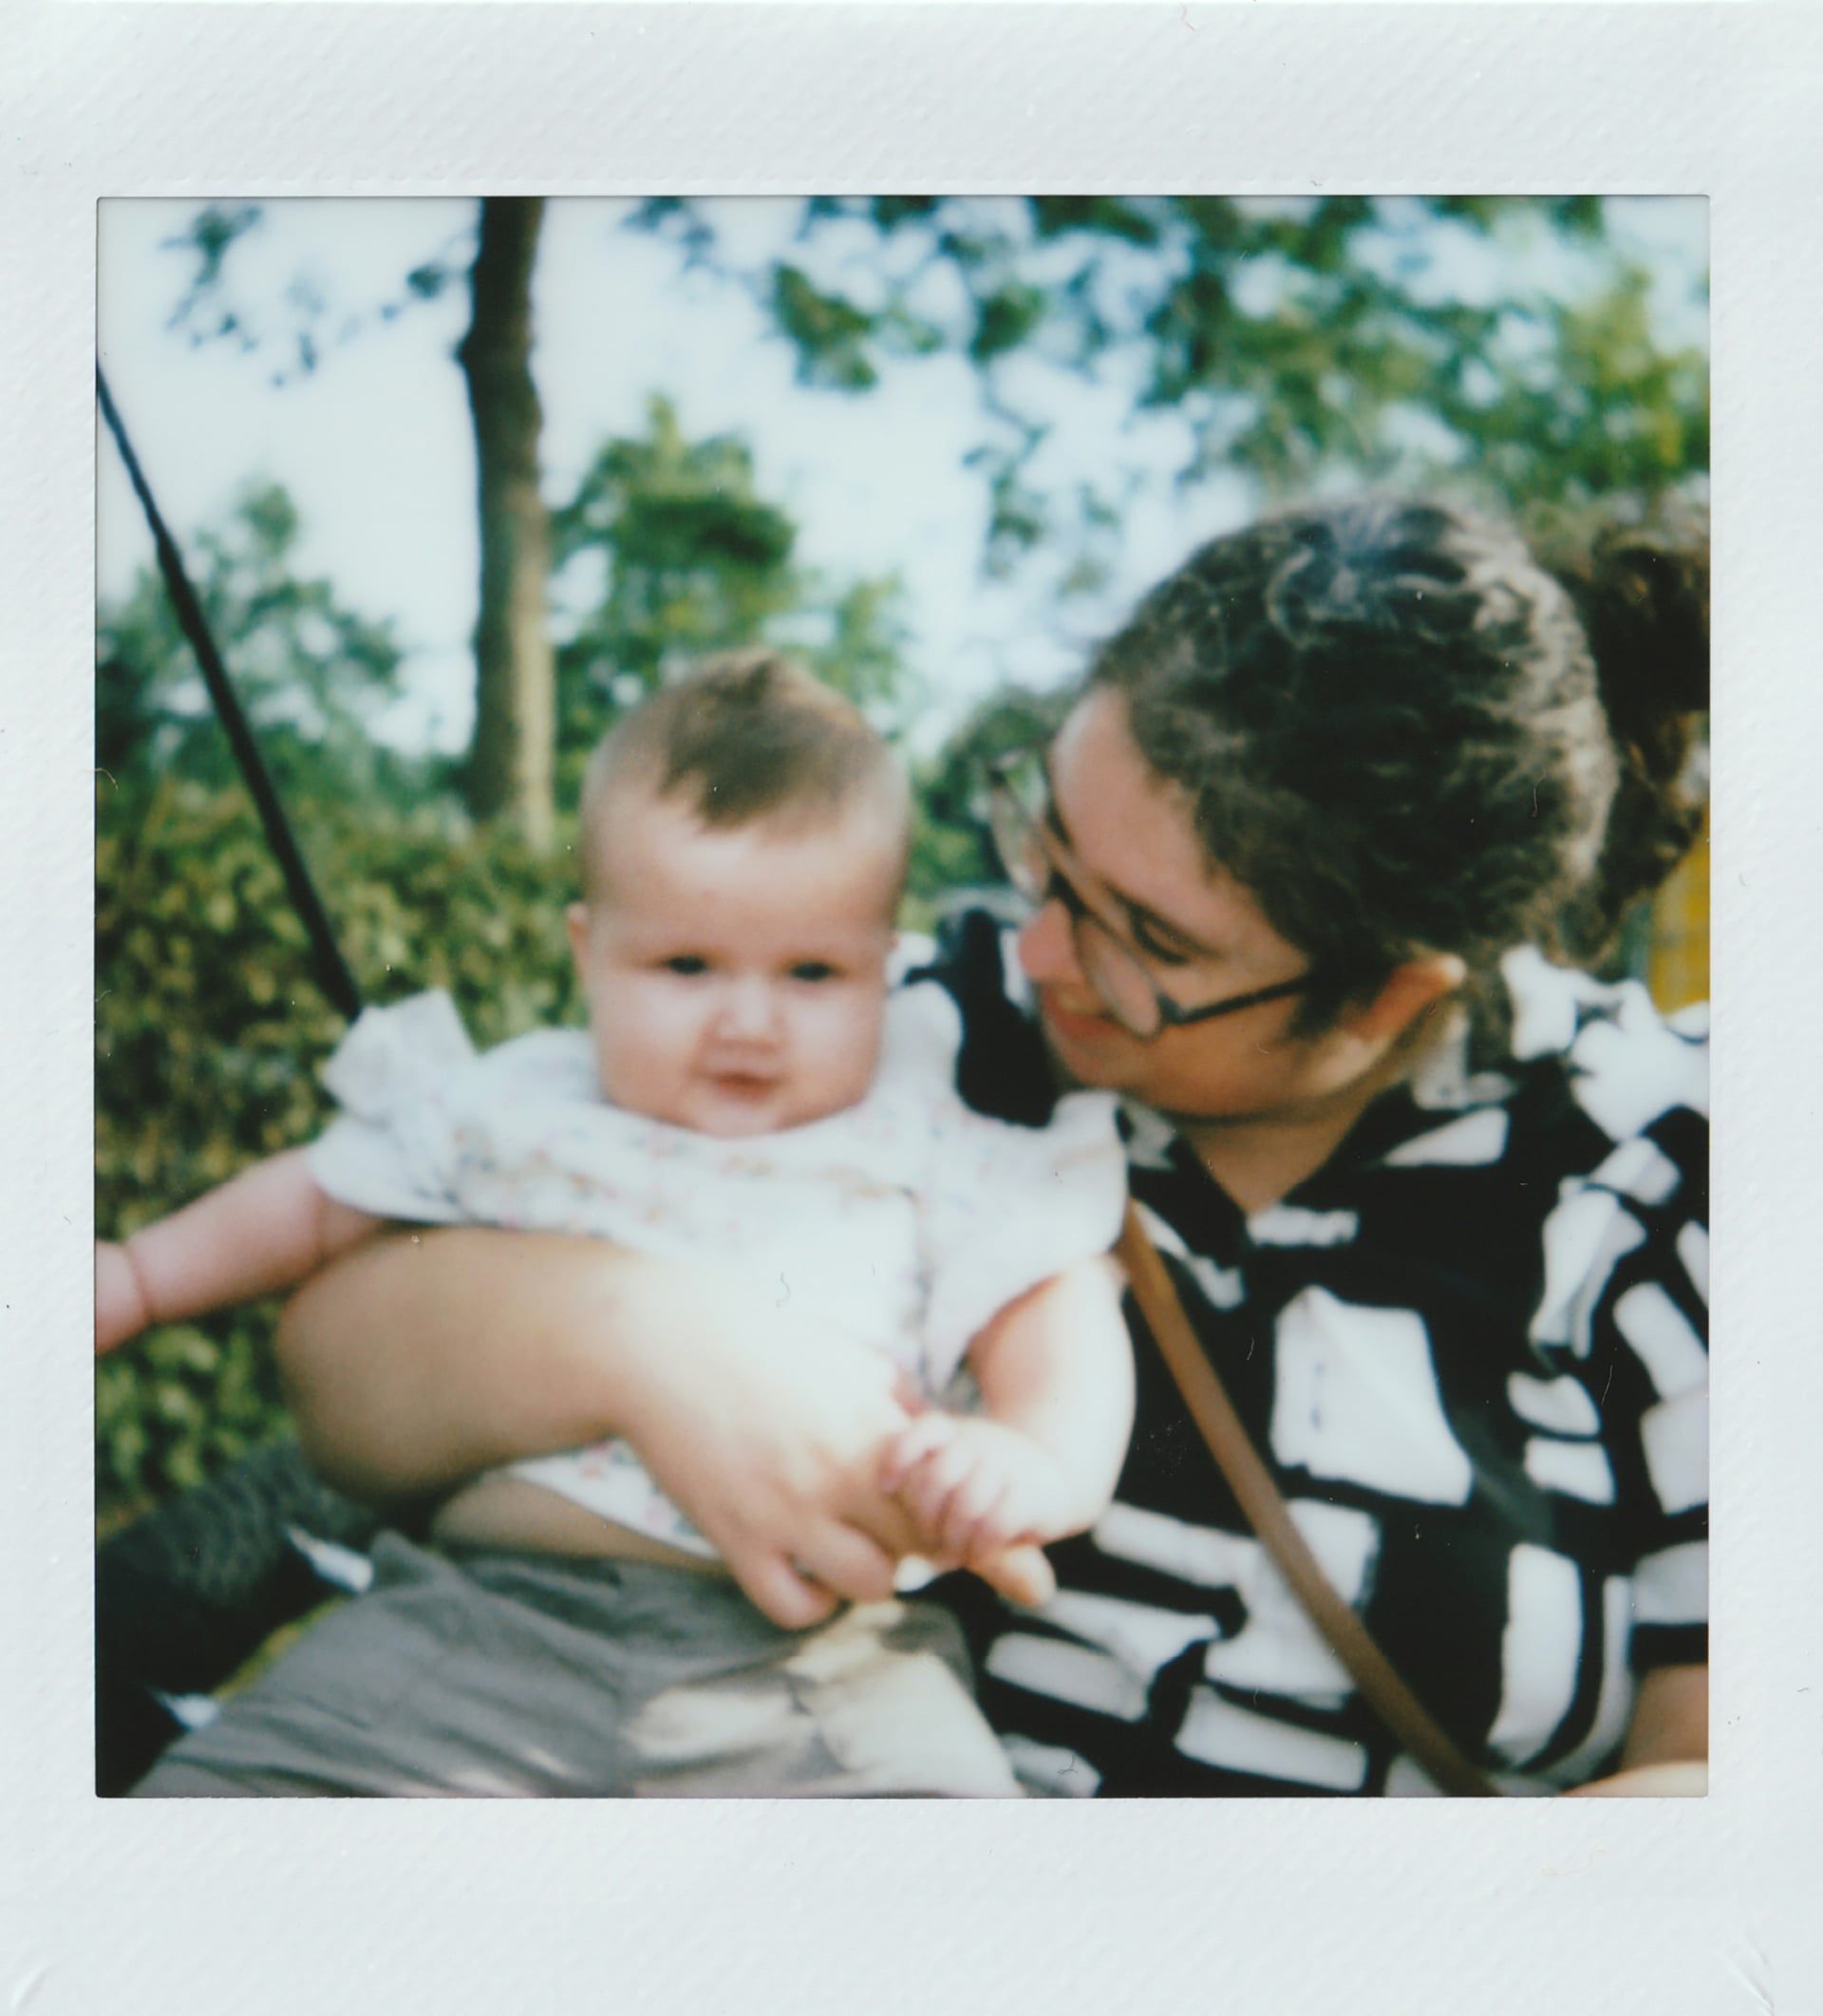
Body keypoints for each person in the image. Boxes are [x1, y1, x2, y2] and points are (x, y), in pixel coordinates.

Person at [265, 496, 1708, 1799]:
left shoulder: (1663, 1166)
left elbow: (1731, 1795)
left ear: (1395, 989)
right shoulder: (905, 1021)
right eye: (1048, 844)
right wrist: (634, 1338)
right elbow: (335, 1377)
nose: (1039, 951)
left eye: (1146, 940)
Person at [107, 652, 1133, 1797]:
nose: (749, 1021)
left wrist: (1038, 1455)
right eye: (686, 964)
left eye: (811, 972)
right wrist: (141, 1278)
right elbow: (318, 1195)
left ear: (885, 964)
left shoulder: (924, 1125)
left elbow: (1055, 1295)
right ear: (585, 952)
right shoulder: (523, 1097)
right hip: (474, 1621)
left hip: (823, 1670)